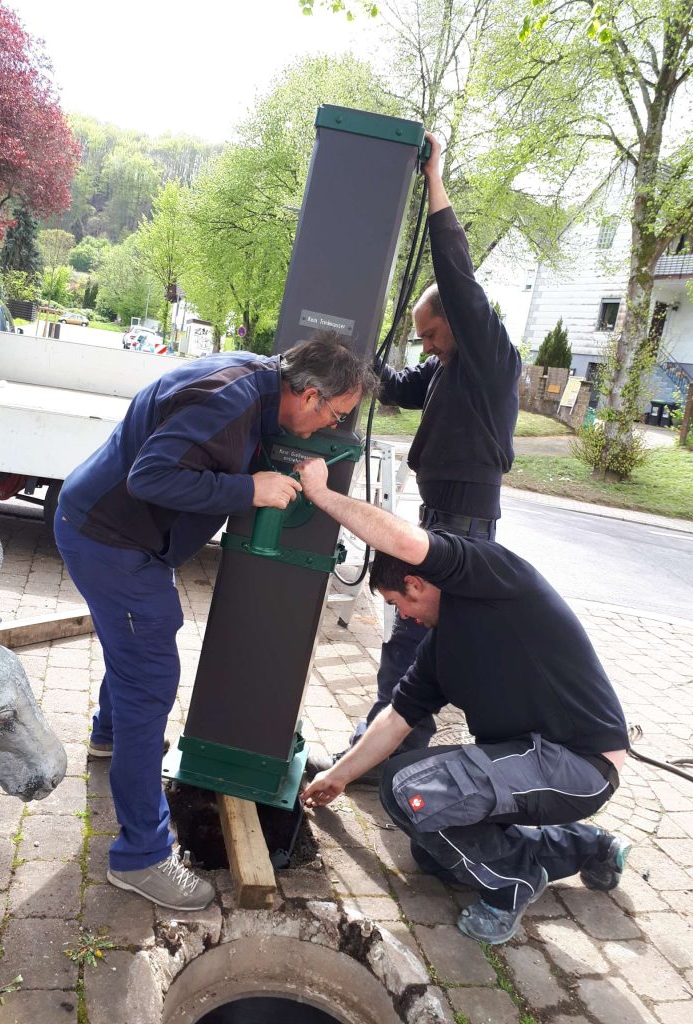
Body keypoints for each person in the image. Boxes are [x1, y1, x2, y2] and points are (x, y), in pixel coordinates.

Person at [54, 335, 374, 912]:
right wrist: (249, 488)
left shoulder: (255, 381)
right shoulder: (228, 401)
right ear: (307, 395)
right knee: (150, 677)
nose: (334, 423)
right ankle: (140, 858)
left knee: (135, 647)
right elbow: (149, 477)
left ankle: (109, 735)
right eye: (336, 414)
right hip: (112, 540)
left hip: (111, 533)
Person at [297, 458, 630, 945]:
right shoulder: (438, 649)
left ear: (417, 583)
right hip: (528, 763)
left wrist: (324, 497)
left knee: (409, 789)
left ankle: (513, 883)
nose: (404, 619)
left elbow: (408, 542)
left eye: (399, 604)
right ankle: (589, 847)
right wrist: (338, 776)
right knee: (433, 854)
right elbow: (396, 718)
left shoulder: (491, 577)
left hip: (580, 763)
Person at [310, 132, 521, 774]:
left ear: (459, 321)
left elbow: (455, 272)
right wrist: (341, 343)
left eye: (430, 334)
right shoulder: (447, 367)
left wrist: (434, 181)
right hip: (444, 515)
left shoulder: (488, 356)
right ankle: (400, 742)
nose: (425, 346)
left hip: (463, 520)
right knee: (420, 635)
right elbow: (396, 386)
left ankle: (389, 754)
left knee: (409, 633)